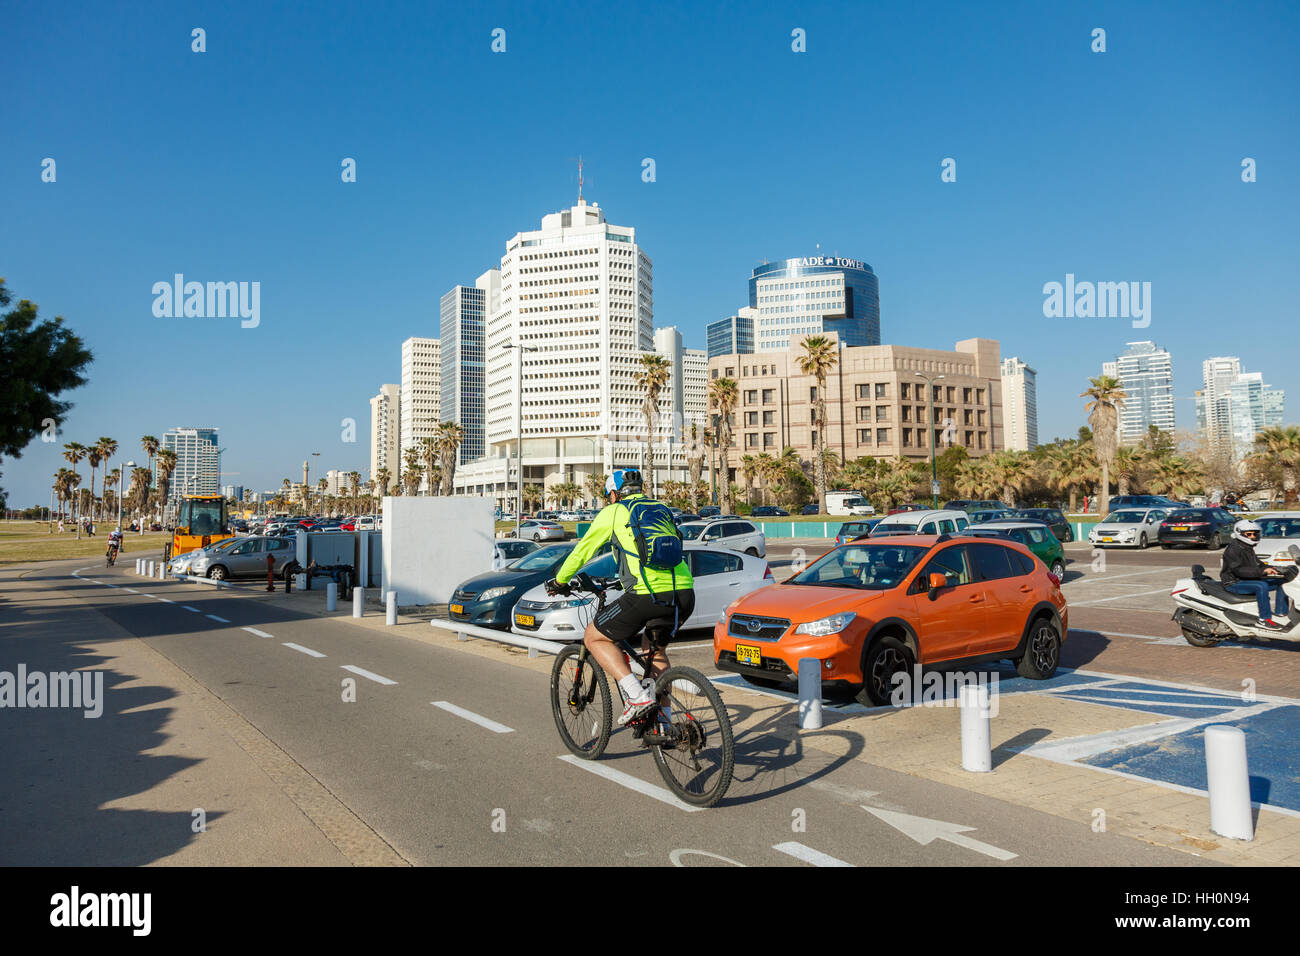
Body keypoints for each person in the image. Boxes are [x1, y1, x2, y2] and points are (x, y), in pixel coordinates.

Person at [546, 469, 694, 726]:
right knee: (654, 653)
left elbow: (583, 551)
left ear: (613, 494)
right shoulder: (660, 508)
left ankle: (637, 696)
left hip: (647, 594)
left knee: (594, 637)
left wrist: (559, 581)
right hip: (684, 592)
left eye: (608, 495)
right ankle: (666, 725)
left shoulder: (614, 512)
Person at [1221, 519, 1289, 629]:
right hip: (1234, 582)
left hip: (1247, 579)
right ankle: (1264, 619)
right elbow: (1238, 570)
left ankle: (1281, 613)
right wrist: (1262, 571)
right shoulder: (1233, 549)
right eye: (1249, 534)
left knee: (1282, 582)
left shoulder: (1247, 547)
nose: (1252, 536)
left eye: (1255, 533)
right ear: (1239, 533)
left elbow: (1258, 564)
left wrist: (1272, 568)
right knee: (1261, 586)